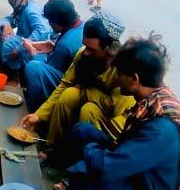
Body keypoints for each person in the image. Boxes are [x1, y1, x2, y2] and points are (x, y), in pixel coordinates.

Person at [53, 34, 180, 190]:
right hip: (138, 172)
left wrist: (91, 151)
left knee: (84, 170)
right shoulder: (154, 94)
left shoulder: (161, 130)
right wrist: (93, 148)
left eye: (119, 73)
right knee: (82, 132)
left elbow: (108, 167)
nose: (115, 78)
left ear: (135, 79)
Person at [20, 11, 136, 158]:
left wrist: (89, 93)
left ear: (109, 50)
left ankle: (79, 160)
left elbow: (119, 114)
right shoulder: (83, 55)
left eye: (92, 49)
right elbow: (64, 85)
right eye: (85, 46)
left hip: (109, 121)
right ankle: (52, 147)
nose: (86, 52)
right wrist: (38, 115)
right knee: (68, 94)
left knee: (89, 110)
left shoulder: (122, 71)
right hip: (87, 100)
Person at [23, 0, 84, 112]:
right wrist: (54, 46)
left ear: (59, 23)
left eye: (51, 22)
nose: (50, 25)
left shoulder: (65, 45)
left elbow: (50, 70)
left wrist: (32, 52)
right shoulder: (81, 24)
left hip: (70, 84)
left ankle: (34, 108)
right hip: (75, 76)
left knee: (33, 68)